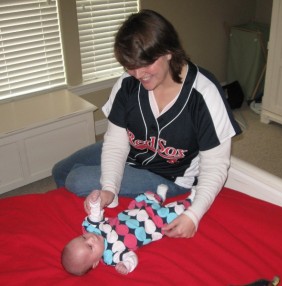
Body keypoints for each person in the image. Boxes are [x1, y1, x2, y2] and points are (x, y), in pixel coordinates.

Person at [52, 9, 241, 239]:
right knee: (60, 170)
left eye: (146, 64)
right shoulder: (128, 85)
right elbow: (115, 143)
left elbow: (216, 165)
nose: (138, 73)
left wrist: (194, 214)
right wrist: (110, 189)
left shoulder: (204, 94)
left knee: (77, 179)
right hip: (134, 153)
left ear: (169, 52)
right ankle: (76, 212)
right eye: (130, 66)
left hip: (169, 177)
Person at [61, 185, 195, 275]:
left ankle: (159, 198)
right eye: (90, 247)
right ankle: (191, 199)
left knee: (144, 197)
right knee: (173, 213)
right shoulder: (111, 256)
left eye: (83, 238)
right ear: (95, 262)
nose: (90, 238)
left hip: (135, 211)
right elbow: (130, 256)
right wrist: (126, 265)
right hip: (152, 225)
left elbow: (95, 214)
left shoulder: (91, 228)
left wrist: (95, 202)